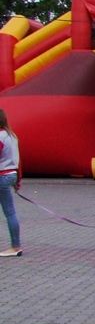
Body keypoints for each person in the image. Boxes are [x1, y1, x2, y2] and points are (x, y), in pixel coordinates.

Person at [0, 109, 22, 257]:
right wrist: (18, 180)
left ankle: (15, 247)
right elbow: (19, 160)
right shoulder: (12, 136)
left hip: (1, 175)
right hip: (12, 173)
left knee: (9, 212)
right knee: (10, 212)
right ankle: (16, 245)